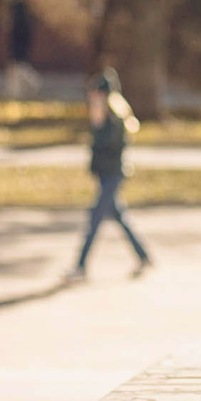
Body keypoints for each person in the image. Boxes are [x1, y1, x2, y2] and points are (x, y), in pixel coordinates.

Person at [71, 70, 151, 279]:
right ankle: (143, 256)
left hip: (112, 175)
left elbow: (107, 145)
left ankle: (80, 266)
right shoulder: (104, 115)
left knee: (95, 219)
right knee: (119, 218)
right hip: (105, 175)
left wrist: (98, 124)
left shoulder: (114, 117)